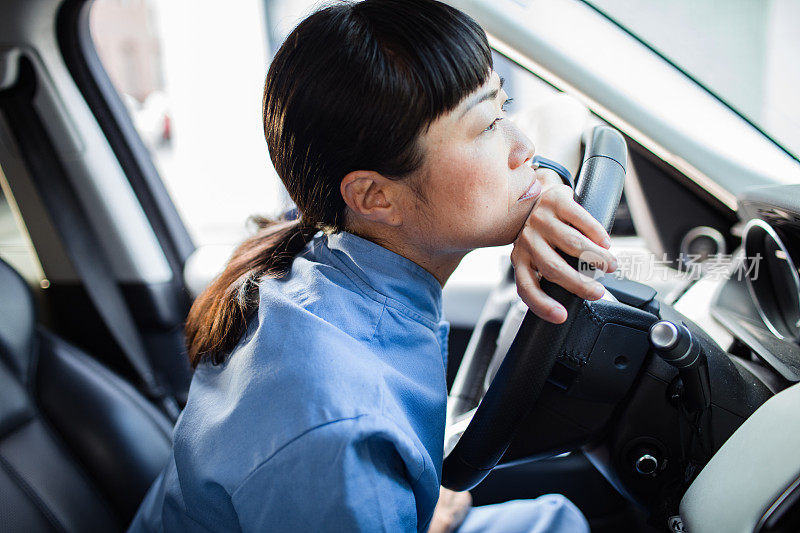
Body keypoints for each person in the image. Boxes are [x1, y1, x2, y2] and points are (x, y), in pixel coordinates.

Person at [128, 0, 617, 531]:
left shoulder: (321, 260)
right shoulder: (339, 429)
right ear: (375, 196)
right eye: (485, 128)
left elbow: (555, 132)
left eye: (505, 108)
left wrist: (543, 186)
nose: (523, 146)